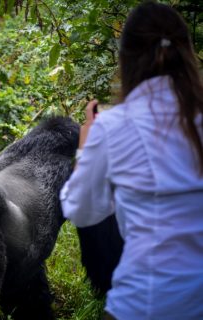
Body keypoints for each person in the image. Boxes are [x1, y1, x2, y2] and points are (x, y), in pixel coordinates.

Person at [59, 1, 203, 320]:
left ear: (126, 59)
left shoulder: (112, 126)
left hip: (145, 302)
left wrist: (85, 146)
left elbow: (82, 212)